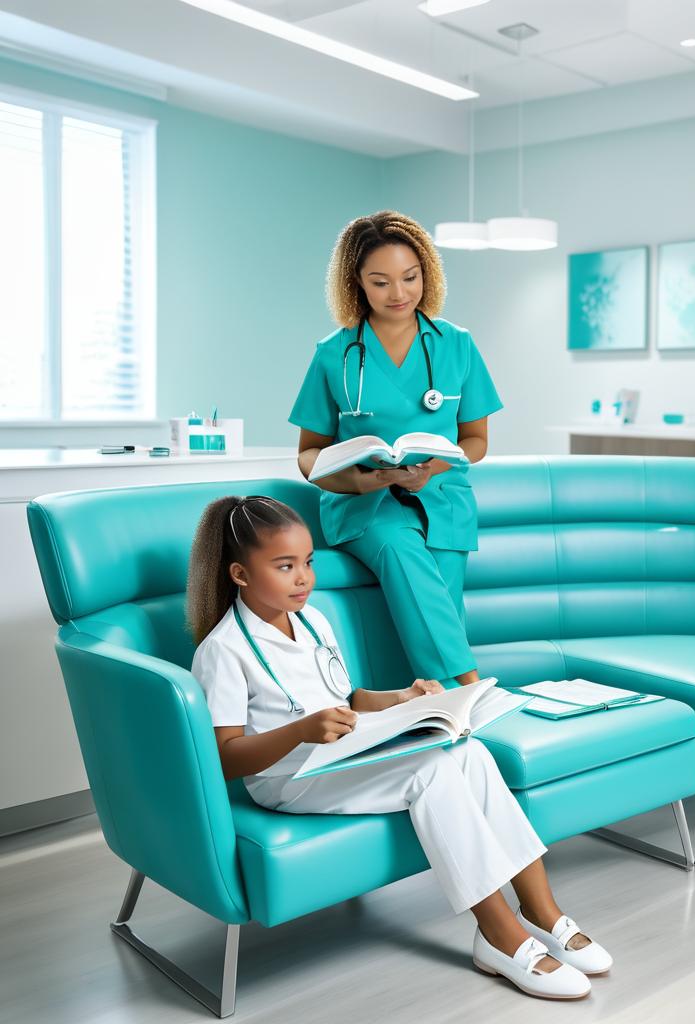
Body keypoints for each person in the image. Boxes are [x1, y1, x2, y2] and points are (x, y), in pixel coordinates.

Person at [186, 494, 612, 1000]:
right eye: (284, 566)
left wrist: (404, 698)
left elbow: (346, 699)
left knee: (471, 753)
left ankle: (543, 910)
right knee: (428, 773)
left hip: (341, 754)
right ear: (239, 573)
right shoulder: (221, 651)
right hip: (289, 780)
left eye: (307, 563)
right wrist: (301, 732)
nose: (303, 578)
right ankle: (499, 936)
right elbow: (225, 757)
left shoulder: (312, 621)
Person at [289, 210, 495, 688]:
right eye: (380, 282)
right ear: (356, 283)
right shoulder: (333, 352)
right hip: (364, 503)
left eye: (410, 277)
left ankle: (434, 723)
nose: (399, 294)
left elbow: (477, 440)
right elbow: (308, 453)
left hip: (443, 499)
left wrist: (433, 467)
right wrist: (358, 479)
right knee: (401, 547)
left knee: (438, 603)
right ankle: (470, 689)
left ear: (427, 273)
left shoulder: (457, 345)